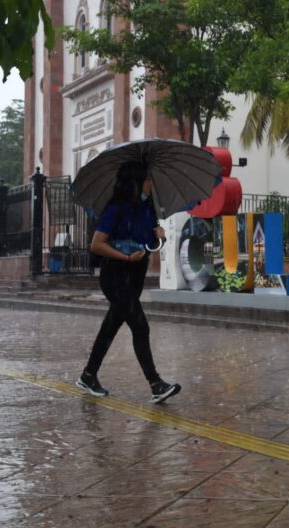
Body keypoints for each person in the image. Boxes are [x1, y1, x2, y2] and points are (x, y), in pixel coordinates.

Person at [76, 161, 181, 404]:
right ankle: (155, 384)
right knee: (140, 326)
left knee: (110, 327)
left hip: (136, 275)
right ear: (136, 182)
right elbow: (97, 244)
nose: (151, 184)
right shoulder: (116, 209)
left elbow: (149, 246)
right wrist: (124, 256)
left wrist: (160, 238)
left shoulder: (147, 209)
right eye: (147, 179)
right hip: (115, 275)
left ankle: (88, 375)